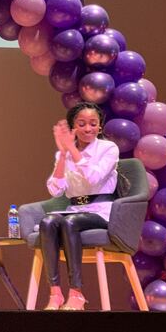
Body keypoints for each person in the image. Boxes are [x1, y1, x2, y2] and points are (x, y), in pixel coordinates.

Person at [38, 101, 119, 310]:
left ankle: (76, 293)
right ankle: (55, 293)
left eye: (93, 123)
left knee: (70, 223)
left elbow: (93, 178)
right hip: (74, 208)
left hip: (100, 210)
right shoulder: (64, 153)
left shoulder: (108, 148)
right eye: (81, 124)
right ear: (73, 127)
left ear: (100, 126)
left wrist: (72, 149)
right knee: (48, 222)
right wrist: (63, 154)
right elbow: (55, 190)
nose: (88, 129)